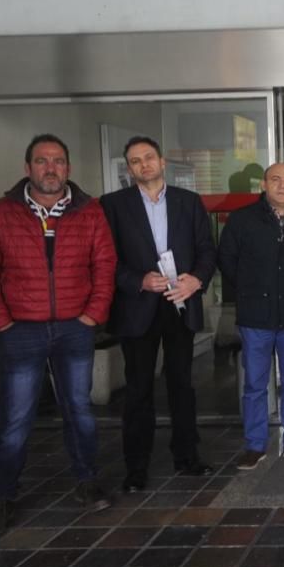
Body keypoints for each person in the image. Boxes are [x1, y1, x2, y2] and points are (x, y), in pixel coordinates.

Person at [0, 134, 116, 537]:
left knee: (79, 411)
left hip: (75, 327)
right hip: (20, 329)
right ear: (28, 168)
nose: (50, 168)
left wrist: (93, 315)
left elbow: (105, 266)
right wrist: (0, 322)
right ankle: (0, 499)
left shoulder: (90, 212)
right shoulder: (0, 214)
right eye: (41, 161)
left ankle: (88, 482)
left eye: (57, 161)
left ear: (68, 168)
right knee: (15, 418)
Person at [100, 136, 217, 494]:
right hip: (138, 308)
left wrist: (195, 281)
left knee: (182, 384)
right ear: (129, 168)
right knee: (138, 390)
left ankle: (187, 456)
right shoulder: (112, 205)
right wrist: (138, 280)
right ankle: (136, 468)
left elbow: (206, 251)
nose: (143, 165)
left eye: (148, 158)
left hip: (180, 303)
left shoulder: (189, 202)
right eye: (135, 161)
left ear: (162, 162)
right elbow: (105, 260)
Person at [218, 163, 284, 469]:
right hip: (256, 316)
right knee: (255, 385)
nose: (282, 185)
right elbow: (227, 260)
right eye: (275, 180)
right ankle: (254, 445)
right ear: (263, 184)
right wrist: (252, 288)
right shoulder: (242, 220)